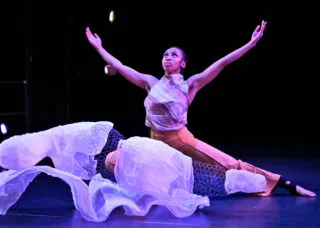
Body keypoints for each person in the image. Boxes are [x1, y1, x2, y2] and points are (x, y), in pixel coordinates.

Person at [85, 20, 316, 197]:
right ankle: (151, 193)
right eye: (165, 54)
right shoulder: (150, 83)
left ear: (182, 64)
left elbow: (224, 62)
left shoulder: (190, 85)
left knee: (228, 165)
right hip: (155, 143)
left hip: (182, 141)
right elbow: (120, 66)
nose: (167, 57)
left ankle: (283, 183)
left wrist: (251, 43)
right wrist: (98, 47)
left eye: (173, 55)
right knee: (112, 161)